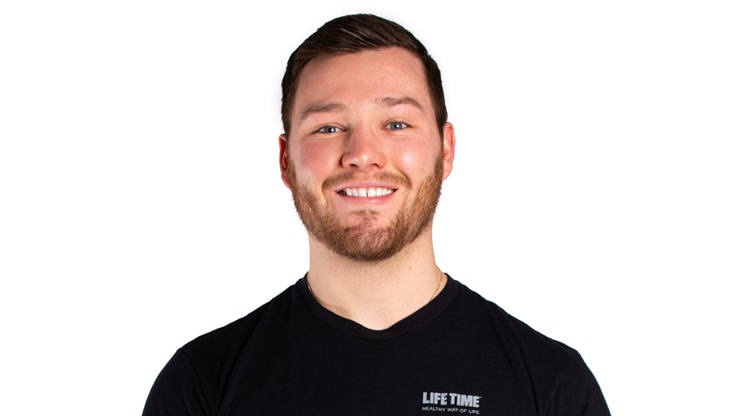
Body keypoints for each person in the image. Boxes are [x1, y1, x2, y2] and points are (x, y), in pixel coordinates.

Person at [143, 14, 610, 416]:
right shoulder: (201, 387)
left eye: (396, 124)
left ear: (445, 150)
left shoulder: (551, 387)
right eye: (328, 127)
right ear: (286, 160)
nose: (363, 154)